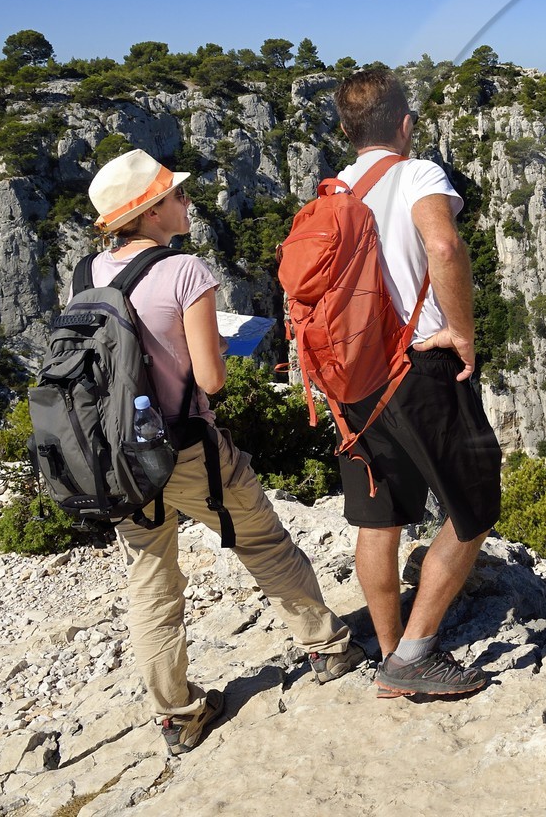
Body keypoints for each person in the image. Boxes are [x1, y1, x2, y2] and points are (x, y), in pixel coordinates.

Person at [84, 149, 365, 754]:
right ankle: (328, 646)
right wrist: (216, 342)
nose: (187, 202)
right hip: (185, 448)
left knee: (151, 581)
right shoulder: (186, 271)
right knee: (262, 541)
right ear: (152, 210)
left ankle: (178, 714)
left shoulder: (88, 272)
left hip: (119, 456)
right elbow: (210, 379)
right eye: (177, 196)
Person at [331, 69, 501, 698]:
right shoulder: (418, 173)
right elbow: (444, 247)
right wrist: (463, 331)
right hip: (418, 368)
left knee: (380, 519)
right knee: (475, 508)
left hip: (352, 377)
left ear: (347, 131)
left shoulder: (333, 192)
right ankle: (415, 654)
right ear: (404, 123)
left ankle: (387, 651)